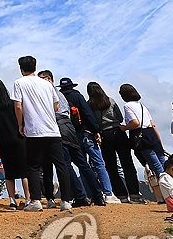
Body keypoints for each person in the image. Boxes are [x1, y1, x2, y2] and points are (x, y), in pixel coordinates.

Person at [12, 56, 72, 212]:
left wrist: (20, 124)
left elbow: (18, 106)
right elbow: (56, 106)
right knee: (61, 166)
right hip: (53, 130)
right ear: (35, 67)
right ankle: (66, 201)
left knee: (33, 166)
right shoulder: (47, 84)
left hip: (34, 131)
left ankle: (36, 200)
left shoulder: (19, 83)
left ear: (21, 68)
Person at [41, 71, 103, 208]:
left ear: (50, 79)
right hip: (71, 129)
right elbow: (83, 112)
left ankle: (80, 196)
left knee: (66, 164)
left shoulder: (47, 93)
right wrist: (96, 130)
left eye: (43, 79)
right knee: (82, 163)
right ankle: (98, 195)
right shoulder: (62, 94)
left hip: (58, 128)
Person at [58, 78, 117, 203]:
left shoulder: (60, 97)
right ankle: (106, 193)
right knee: (96, 163)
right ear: (72, 86)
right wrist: (96, 130)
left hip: (69, 134)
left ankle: (86, 194)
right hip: (85, 133)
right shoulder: (77, 96)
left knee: (81, 164)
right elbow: (87, 113)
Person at [87, 81, 146, 204]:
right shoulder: (110, 100)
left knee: (111, 166)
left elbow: (91, 121)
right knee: (127, 164)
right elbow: (119, 118)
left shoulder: (90, 105)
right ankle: (134, 194)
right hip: (118, 132)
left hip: (104, 135)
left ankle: (121, 194)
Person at [0, 78, 29, 208]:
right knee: (24, 171)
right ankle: (28, 199)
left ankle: (12, 201)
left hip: (4, 140)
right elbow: (22, 115)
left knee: (9, 173)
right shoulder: (11, 103)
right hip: (19, 137)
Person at [118, 84, 166, 177]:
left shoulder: (127, 106)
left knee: (156, 167)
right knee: (164, 166)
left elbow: (136, 123)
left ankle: (166, 188)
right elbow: (153, 124)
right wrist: (158, 140)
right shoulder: (142, 105)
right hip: (152, 133)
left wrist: (125, 128)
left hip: (141, 137)